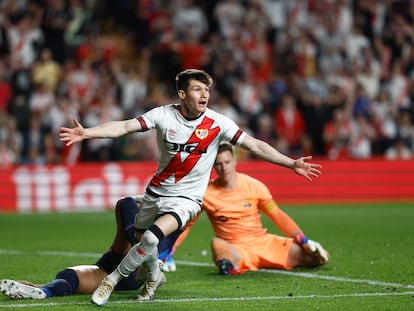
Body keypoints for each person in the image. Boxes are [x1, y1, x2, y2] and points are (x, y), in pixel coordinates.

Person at [59, 69, 322, 306]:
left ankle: (111, 281)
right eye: (198, 89)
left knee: (151, 238)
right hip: (157, 192)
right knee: (142, 242)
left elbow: (255, 145)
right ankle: (153, 278)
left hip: (188, 199)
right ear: (182, 93)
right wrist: (87, 133)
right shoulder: (163, 115)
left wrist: (291, 163)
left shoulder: (218, 123)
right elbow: (126, 127)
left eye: (207, 90)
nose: (204, 94)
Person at [172, 142, 329, 276]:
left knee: (320, 257)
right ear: (213, 166)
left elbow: (277, 215)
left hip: (265, 244)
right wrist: (169, 252)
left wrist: (303, 239)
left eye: (227, 162)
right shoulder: (206, 192)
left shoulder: (254, 186)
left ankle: (235, 266)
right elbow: (188, 224)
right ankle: (230, 266)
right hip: (235, 249)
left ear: (235, 160)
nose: (223, 167)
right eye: (218, 164)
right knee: (217, 244)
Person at [0, 195, 179, 299]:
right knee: (68, 280)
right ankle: (43, 290)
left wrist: (142, 202)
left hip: (117, 262)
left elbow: (126, 204)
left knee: (126, 204)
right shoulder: (176, 217)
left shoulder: (145, 218)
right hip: (128, 277)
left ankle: (45, 289)